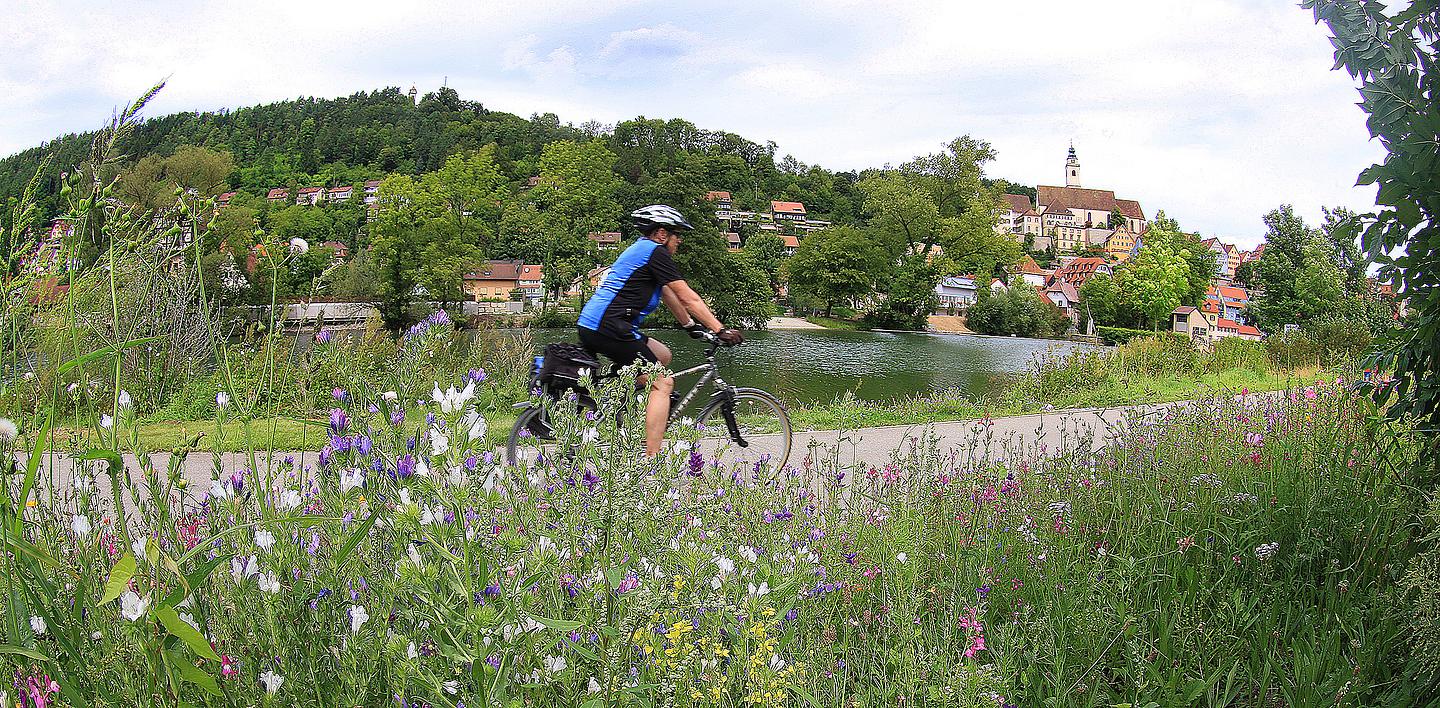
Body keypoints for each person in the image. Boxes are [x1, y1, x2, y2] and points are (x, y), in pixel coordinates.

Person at [577, 204, 744, 455]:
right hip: (609, 327)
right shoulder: (655, 252)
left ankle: (624, 411)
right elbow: (688, 297)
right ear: (662, 234)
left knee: (663, 355)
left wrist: (690, 326)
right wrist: (719, 330)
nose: (679, 241)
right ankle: (650, 460)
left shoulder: (642, 252)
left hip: (600, 325)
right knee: (663, 383)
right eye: (677, 235)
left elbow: (669, 295)